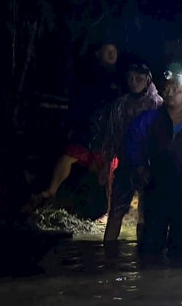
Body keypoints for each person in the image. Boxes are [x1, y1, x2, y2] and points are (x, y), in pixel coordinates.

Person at [125, 66, 182, 263]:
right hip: (156, 188)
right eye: (167, 89)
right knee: (150, 247)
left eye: (177, 89)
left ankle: (177, 290)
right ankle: (149, 288)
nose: (171, 93)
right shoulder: (149, 120)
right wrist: (139, 167)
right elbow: (132, 142)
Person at [34, 42, 123, 208]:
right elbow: (81, 99)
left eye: (114, 52)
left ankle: (113, 209)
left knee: (107, 169)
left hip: (105, 130)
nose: (112, 55)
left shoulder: (117, 78)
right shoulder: (89, 73)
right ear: (98, 53)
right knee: (70, 155)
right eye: (108, 51)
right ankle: (51, 191)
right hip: (87, 126)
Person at [102, 62, 164, 242]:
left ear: (147, 80)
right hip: (125, 165)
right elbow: (111, 135)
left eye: (139, 78)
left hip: (149, 167)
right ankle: (108, 261)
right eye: (130, 78)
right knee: (115, 213)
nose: (133, 82)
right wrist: (106, 164)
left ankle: (144, 259)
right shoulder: (120, 105)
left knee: (146, 216)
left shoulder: (157, 104)